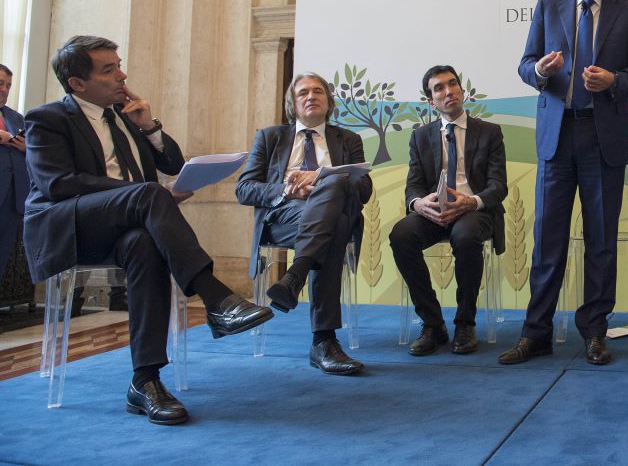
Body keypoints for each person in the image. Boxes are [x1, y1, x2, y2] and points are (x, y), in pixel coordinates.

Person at [23, 35, 272, 425]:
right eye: (109, 70)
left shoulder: (124, 117)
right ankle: (215, 297)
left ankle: (145, 381)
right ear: (77, 83)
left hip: (128, 226)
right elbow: (57, 184)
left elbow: (172, 164)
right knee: (150, 194)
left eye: (119, 65)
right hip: (69, 226)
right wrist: (142, 194)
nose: (122, 76)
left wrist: (149, 126)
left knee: (144, 244)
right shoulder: (47, 119)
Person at [499, 0, 628, 366]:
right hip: (557, 137)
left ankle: (595, 332)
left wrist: (614, 80)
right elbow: (525, 65)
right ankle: (536, 333)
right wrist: (542, 71)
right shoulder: (548, 7)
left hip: (602, 138)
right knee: (547, 239)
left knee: (601, 240)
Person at [235, 72, 372, 375]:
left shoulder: (348, 139)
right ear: (292, 104)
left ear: (328, 101)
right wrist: (286, 190)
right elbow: (244, 189)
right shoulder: (270, 137)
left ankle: (296, 275)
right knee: (335, 224)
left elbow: (364, 190)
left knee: (335, 191)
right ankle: (323, 341)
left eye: (318, 91)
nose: (311, 96)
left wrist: (323, 178)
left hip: (330, 217)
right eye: (303, 93)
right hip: (285, 216)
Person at [391, 65, 507, 355]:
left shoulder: (489, 132)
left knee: (466, 237)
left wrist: (472, 201)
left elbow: (498, 186)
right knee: (401, 235)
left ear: (462, 90)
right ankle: (432, 324)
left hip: (474, 210)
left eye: (452, 84)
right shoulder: (421, 136)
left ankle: (465, 323)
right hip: (435, 211)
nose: (448, 91)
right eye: (439, 88)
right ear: (431, 101)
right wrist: (419, 204)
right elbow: (413, 185)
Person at [0, 64, 29, 278]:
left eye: (8, 86)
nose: (4, 90)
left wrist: (28, 148)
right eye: (0, 84)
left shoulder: (17, 118)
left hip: (13, 200)